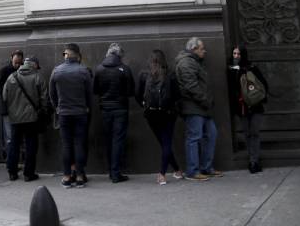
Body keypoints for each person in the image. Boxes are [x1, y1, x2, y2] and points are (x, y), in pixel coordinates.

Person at [175, 37, 220, 181]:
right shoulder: (186, 63)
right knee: (194, 138)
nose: (204, 51)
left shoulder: (194, 62)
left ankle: (206, 168)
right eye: (202, 48)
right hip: (194, 107)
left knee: (211, 134)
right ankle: (192, 171)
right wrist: (205, 100)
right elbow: (191, 87)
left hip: (202, 107)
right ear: (194, 49)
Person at [49, 43, 92, 188]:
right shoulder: (84, 71)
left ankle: (67, 176)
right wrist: (87, 108)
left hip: (64, 113)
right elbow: (89, 95)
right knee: (79, 144)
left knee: (66, 145)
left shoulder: (57, 71)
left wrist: (58, 108)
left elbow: (52, 94)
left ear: (66, 55)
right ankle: (79, 176)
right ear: (78, 55)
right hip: (80, 112)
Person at [136, 49, 182, 185]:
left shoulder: (144, 75)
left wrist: (144, 105)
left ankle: (177, 170)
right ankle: (162, 174)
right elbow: (177, 96)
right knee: (166, 143)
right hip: (168, 113)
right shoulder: (171, 74)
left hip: (151, 114)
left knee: (164, 144)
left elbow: (137, 95)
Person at [94, 42, 134, 183]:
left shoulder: (99, 69)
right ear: (119, 55)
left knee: (109, 140)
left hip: (105, 109)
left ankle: (111, 171)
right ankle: (116, 173)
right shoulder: (125, 69)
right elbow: (130, 91)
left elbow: (95, 90)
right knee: (117, 140)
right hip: (121, 109)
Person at [2, 56, 47, 182]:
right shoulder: (38, 77)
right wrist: (43, 110)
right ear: (34, 65)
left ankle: (12, 173)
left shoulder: (12, 77)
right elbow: (44, 98)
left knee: (14, 145)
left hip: (15, 118)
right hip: (32, 118)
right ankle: (28, 174)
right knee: (31, 146)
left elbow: (4, 96)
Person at [228, 45, 268, 174]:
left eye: (238, 54)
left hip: (256, 107)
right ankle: (252, 159)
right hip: (242, 108)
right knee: (247, 134)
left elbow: (263, 85)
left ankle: (254, 160)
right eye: (234, 54)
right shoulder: (231, 70)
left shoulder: (252, 68)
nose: (236, 56)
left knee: (254, 133)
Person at [0, 50, 24, 153]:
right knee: (10, 136)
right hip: (8, 108)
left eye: (20, 63)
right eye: (16, 62)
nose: (17, 65)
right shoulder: (4, 71)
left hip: (20, 108)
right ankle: (11, 161)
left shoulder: (23, 70)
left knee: (17, 136)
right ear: (11, 59)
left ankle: (14, 159)